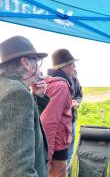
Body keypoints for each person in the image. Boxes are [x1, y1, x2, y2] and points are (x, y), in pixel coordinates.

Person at [0, 36, 48, 176]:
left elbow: (21, 130)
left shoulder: (6, 87)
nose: (39, 67)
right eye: (36, 61)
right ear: (26, 63)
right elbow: (17, 170)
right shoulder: (16, 93)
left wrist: (37, 97)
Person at [41, 49, 78, 177]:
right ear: (66, 65)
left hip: (54, 146)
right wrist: (48, 157)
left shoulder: (51, 82)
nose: (74, 67)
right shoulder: (60, 86)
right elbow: (49, 123)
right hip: (57, 148)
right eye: (72, 64)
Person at [68, 69, 83, 165]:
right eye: (71, 64)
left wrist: (76, 102)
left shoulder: (75, 79)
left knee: (71, 142)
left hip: (72, 117)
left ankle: (68, 168)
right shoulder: (54, 80)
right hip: (59, 120)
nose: (73, 67)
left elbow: (79, 94)